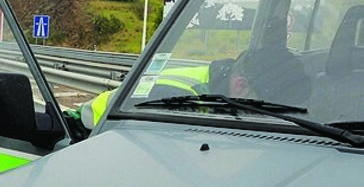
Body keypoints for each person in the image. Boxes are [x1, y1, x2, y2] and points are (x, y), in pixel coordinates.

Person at [71, 46, 311, 133]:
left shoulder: (224, 92)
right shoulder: (174, 100)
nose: (264, 118)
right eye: (264, 109)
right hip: (88, 132)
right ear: (240, 86)